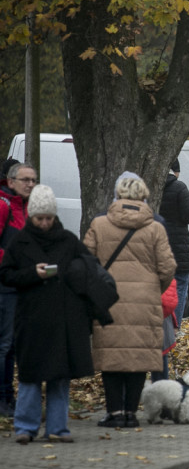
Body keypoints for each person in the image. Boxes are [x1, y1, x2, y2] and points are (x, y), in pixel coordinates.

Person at [0, 186, 95, 443]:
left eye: (48, 218)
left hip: (63, 319)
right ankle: (25, 427)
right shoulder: (19, 242)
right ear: (31, 217)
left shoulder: (67, 240)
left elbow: (87, 268)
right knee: (30, 375)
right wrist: (33, 273)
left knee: (60, 376)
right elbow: (6, 275)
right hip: (30, 318)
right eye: (39, 218)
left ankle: (57, 427)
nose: (44, 223)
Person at [85, 174, 176, 427]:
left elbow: (86, 263)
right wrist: (154, 288)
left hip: (108, 301)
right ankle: (130, 414)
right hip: (144, 301)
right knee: (138, 358)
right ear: (144, 196)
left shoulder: (99, 224)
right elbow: (168, 267)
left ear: (117, 196)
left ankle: (114, 413)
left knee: (111, 357)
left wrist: (97, 291)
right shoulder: (155, 227)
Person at [0, 162, 34, 417]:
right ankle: (3, 399)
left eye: (33, 180)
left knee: (13, 346)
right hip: (6, 286)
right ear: (10, 182)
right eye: (25, 180)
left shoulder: (27, 209)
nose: (30, 184)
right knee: (5, 345)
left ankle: (10, 399)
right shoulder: (4, 206)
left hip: (23, 285)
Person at [162, 159, 189, 325]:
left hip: (159, 246)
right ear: (175, 171)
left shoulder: (152, 186)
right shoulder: (180, 187)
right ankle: (175, 327)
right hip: (178, 247)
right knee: (180, 286)